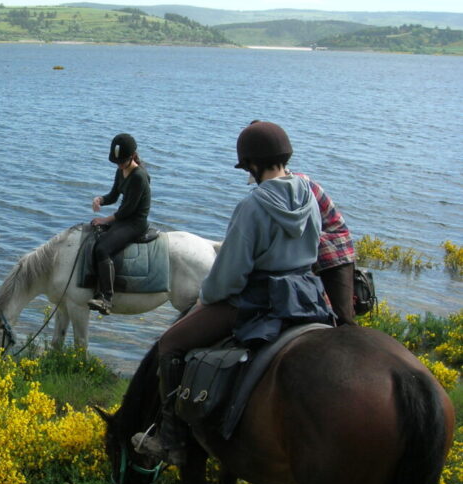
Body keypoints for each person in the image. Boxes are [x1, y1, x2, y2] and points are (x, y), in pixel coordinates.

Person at [134, 121, 334, 465]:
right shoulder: (311, 195)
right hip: (306, 297)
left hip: (258, 300)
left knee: (170, 343)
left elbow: (228, 278)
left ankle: (171, 440)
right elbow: (315, 248)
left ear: (253, 165)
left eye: (247, 167)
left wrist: (205, 296)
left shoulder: (253, 206)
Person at [87, 133, 151, 315]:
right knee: (94, 235)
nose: (119, 165)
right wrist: (100, 199)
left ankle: (106, 299)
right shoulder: (121, 171)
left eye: (122, 162)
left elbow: (127, 210)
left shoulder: (139, 177)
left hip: (135, 223)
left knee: (102, 249)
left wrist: (105, 220)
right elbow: (114, 195)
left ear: (132, 157)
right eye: (117, 162)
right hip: (123, 219)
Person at [289, 170, 356, 324]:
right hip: (312, 247)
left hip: (335, 250)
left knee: (343, 317)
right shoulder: (288, 185)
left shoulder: (298, 187)